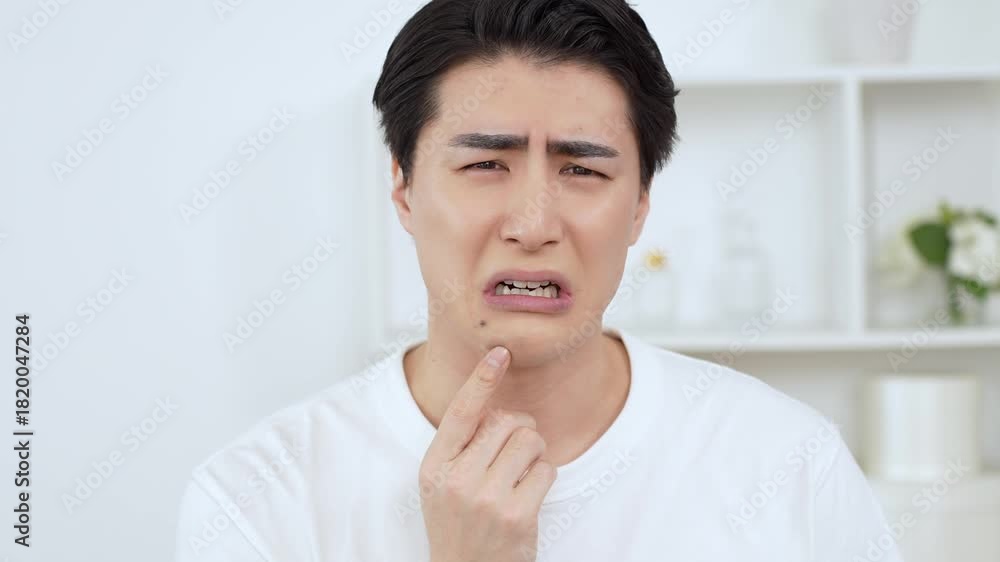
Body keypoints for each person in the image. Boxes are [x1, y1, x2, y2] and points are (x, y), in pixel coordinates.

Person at [175, 1, 904, 560]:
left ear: (640, 205)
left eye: (581, 169)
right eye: (484, 165)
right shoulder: (259, 498)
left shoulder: (789, 464)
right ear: (403, 188)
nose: (533, 224)